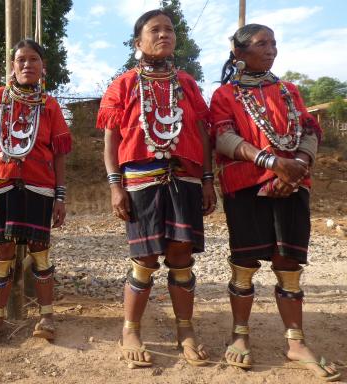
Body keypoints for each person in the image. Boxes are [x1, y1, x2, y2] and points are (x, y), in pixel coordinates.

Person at [210, 24, 340, 381]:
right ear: (238, 52)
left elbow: (309, 130)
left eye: (274, 43)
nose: (270, 50)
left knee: (288, 262)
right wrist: (272, 164)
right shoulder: (225, 95)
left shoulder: (290, 91)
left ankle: (296, 342)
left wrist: (298, 166)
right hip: (247, 185)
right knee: (245, 261)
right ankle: (240, 335)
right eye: (260, 43)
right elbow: (222, 136)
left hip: (293, 184)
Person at [97, 9, 216, 368]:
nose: (164, 34)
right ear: (138, 43)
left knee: (181, 256)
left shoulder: (188, 83)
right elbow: (111, 138)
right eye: (155, 30)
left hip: (186, 177)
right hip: (141, 179)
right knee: (145, 258)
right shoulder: (124, 84)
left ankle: (185, 329)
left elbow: (200, 133)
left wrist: (209, 180)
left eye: (169, 29)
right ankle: (130, 329)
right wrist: (115, 186)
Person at [0, 39, 71, 344]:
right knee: (1, 253)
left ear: (43, 67)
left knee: (41, 253)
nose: (27, 65)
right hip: (0, 189)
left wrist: (60, 197)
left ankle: (47, 316)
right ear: (12, 66)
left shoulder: (50, 105)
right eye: (21, 60)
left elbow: (59, 154)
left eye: (33, 60)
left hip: (40, 189)